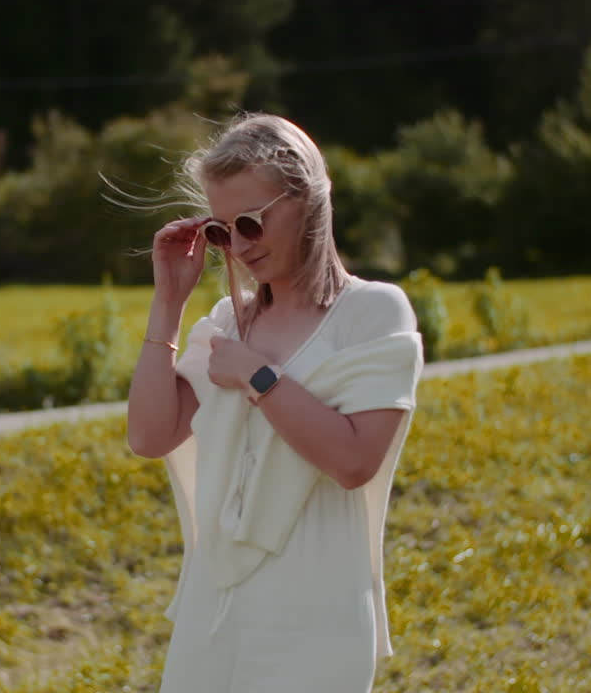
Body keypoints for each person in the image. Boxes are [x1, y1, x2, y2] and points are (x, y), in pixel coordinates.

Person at [126, 112, 424, 693]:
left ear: (307, 200)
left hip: (316, 614)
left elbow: (353, 461)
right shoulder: (226, 322)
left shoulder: (372, 312)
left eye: (250, 223)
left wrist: (257, 375)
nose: (238, 247)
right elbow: (149, 436)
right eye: (220, 232)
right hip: (213, 607)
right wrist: (168, 303)